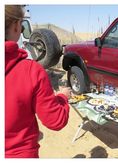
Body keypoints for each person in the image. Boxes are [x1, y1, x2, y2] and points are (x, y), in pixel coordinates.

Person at [5, 5, 72, 158]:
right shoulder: (31, 71)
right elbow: (55, 120)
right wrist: (62, 97)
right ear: (16, 26)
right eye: (21, 25)